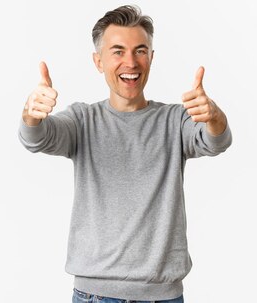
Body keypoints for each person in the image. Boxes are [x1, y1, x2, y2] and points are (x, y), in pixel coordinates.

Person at [18, 5, 232, 303]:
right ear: (98, 61)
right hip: (95, 295)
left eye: (140, 51)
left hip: (164, 296)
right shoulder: (82, 120)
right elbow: (39, 138)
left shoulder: (175, 120)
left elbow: (215, 141)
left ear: (151, 58)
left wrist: (214, 115)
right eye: (117, 51)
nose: (130, 62)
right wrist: (32, 115)